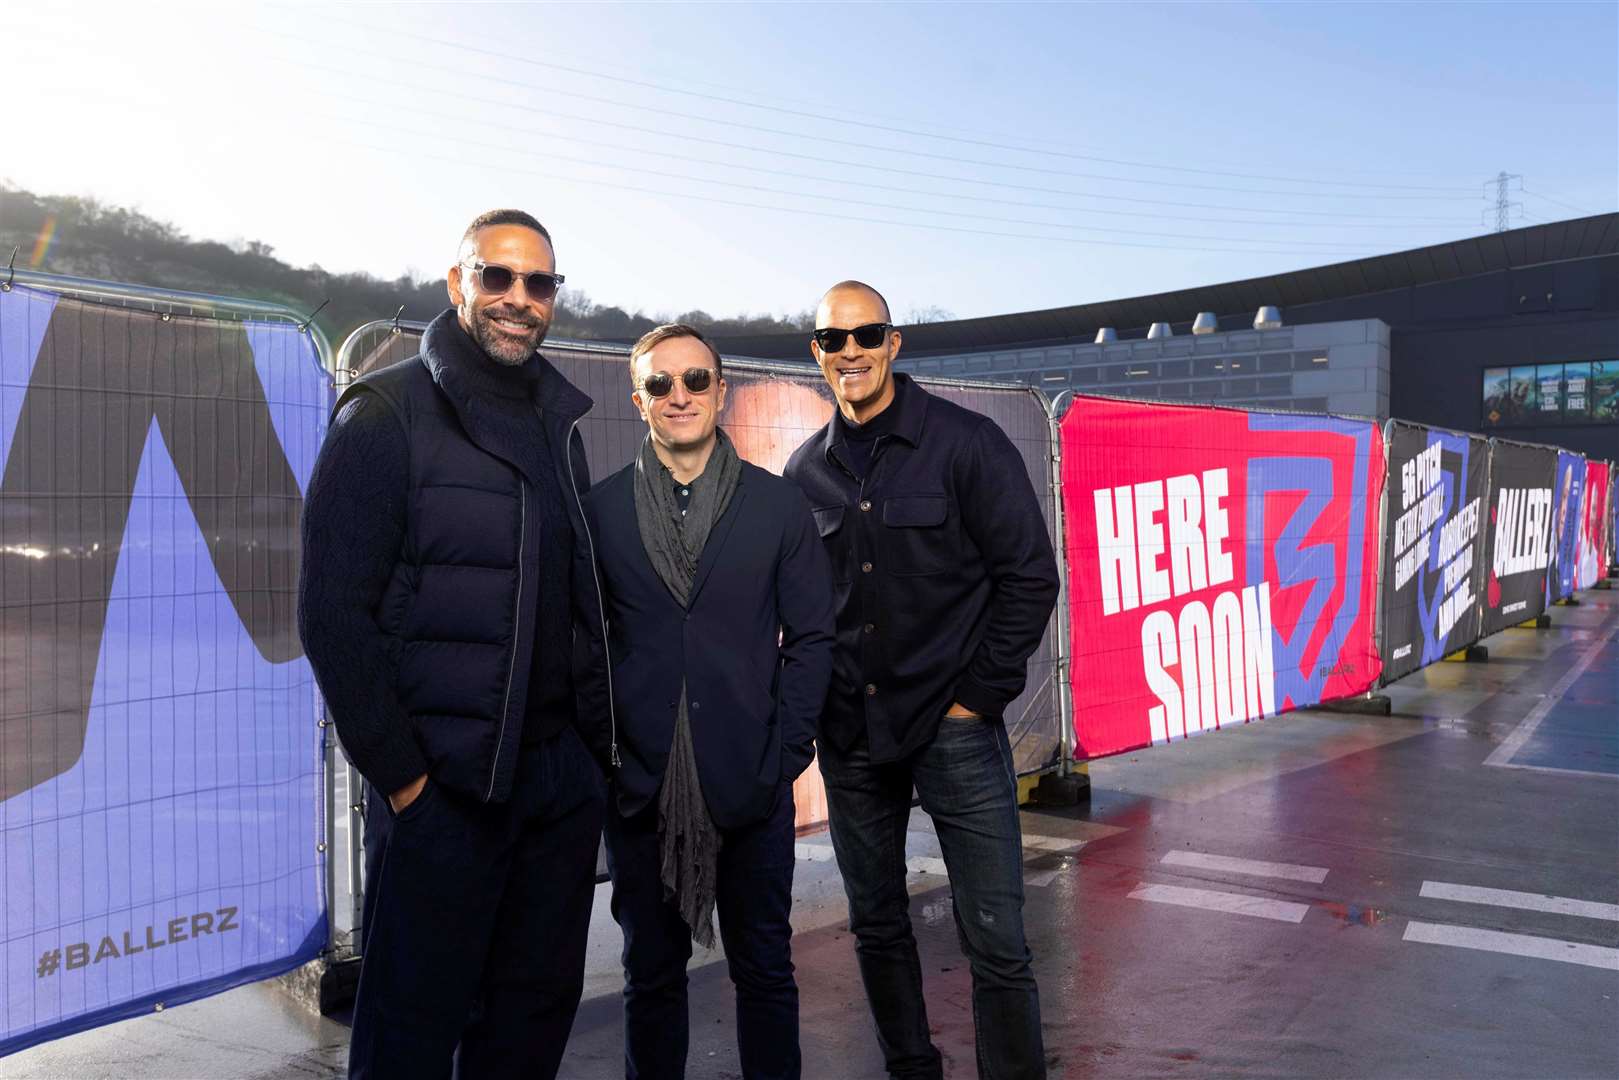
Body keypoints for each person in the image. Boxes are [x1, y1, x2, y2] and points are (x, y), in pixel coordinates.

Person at [298, 209, 613, 1079]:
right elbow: (330, 617)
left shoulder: (561, 423)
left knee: (528, 1028)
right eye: (496, 276)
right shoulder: (386, 413)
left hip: (554, 787)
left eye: (538, 282)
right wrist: (407, 785)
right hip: (447, 793)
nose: (518, 298)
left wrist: (588, 760)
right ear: (457, 283)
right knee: (408, 1038)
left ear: (554, 298)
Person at [784, 282, 1060, 1080]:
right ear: (817, 352)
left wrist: (976, 700)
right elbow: (809, 611)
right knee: (876, 925)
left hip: (954, 731)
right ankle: (912, 1068)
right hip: (852, 737)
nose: (850, 352)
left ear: (893, 343)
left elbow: (1028, 577)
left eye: (865, 335)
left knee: (995, 940)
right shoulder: (805, 472)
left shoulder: (966, 445)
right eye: (833, 339)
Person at [586, 323, 835, 1079]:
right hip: (641, 791)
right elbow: (582, 649)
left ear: (721, 392)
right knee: (649, 979)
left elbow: (814, 638)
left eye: (696, 380)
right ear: (638, 401)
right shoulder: (599, 513)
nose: (679, 396)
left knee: (763, 969)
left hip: (751, 787)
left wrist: (784, 755)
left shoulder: (777, 507)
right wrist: (612, 756)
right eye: (660, 384)